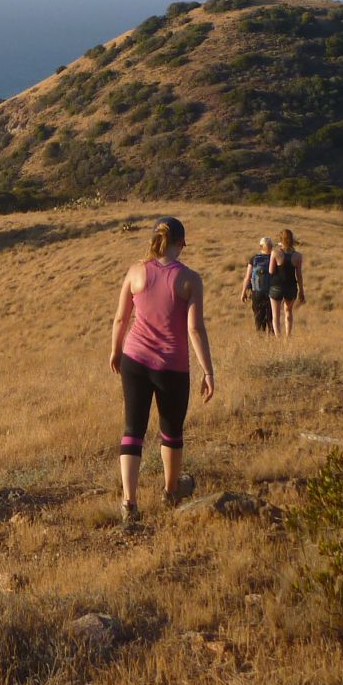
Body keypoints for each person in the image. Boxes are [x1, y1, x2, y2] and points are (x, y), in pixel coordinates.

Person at [109, 215, 215, 526]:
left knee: (133, 430)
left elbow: (120, 319)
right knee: (171, 431)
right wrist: (209, 371)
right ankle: (171, 492)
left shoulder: (136, 272)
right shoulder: (190, 279)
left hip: (135, 360)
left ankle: (129, 502)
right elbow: (195, 329)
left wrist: (116, 351)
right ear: (182, 242)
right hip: (172, 366)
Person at [268, 226, 305, 338]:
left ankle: (278, 338)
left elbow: (270, 271)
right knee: (288, 312)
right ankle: (288, 337)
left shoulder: (275, 253)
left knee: (276, 315)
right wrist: (301, 291)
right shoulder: (298, 256)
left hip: (276, 286)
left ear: (281, 239)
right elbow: (299, 275)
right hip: (291, 287)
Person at [239, 237, 273, 333]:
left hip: (257, 292)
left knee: (258, 317)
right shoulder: (274, 258)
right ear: (271, 246)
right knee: (272, 318)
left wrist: (243, 292)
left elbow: (247, 277)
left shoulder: (254, 259)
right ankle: (273, 340)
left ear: (260, 247)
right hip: (272, 292)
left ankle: (260, 337)